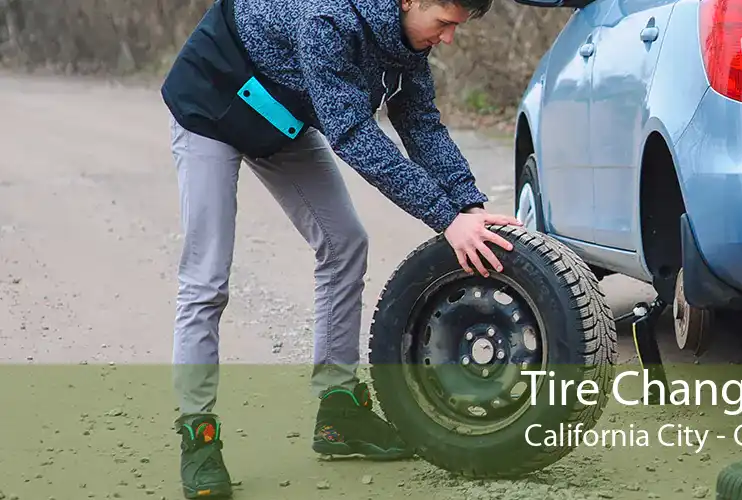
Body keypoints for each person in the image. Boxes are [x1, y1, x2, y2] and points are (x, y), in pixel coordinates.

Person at [159, 0, 518, 497]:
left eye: (457, 28)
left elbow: (421, 124)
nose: (449, 39)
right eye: (444, 24)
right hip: (210, 104)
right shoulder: (326, 21)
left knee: (345, 243)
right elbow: (352, 133)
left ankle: (340, 412)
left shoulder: (406, 41)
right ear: (410, 0)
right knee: (207, 278)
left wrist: (469, 206)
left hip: (280, 117)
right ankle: (197, 435)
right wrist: (445, 220)